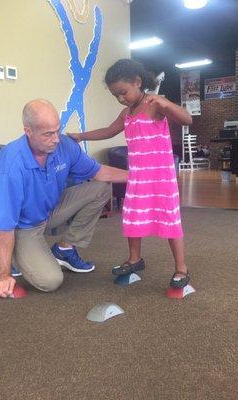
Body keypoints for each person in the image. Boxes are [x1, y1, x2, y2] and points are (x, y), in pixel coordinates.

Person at [68, 59, 193, 289]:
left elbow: (187, 119)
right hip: (137, 178)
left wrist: (165, 103)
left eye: (123, 92)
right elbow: (108, 131)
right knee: (133, 219)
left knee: (169, 220)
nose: (121, 98)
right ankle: (135, 259)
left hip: (161, 179)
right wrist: (81, 136)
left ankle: (181, 269)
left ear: (138, 82)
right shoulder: (126, 113)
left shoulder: (155, 105)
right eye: (116, 95)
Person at [0, 99, 128, 298]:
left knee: (101, 189)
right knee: (51, 281)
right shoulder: (12, 162)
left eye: (58, 130)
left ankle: (65, 249)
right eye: (48, 134)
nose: (56, 139)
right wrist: (3, 274)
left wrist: (138, 176)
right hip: (25, 227)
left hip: (51, 210)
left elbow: (98, 172)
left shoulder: (63, 146)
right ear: (28, 131)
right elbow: (4, 226)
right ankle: (17, 256)